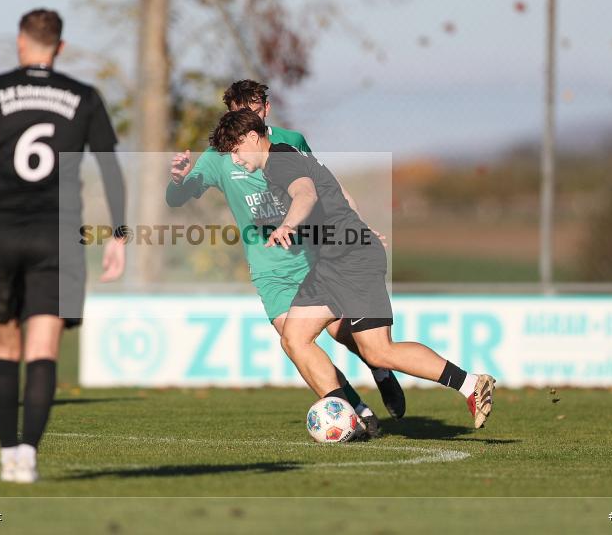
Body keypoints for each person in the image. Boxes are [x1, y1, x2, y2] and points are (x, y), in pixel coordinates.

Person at [0, 9, 127, 483]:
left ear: (20, 42)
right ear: (60, 47)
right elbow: (111, 168)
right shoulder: (83, 96)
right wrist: (119, 234)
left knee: (6, 346)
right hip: (57, 235)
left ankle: (7, 451)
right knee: (43, 348)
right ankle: (28, 454)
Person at [209, 109, 496, 429]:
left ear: (252, 137)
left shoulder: (280, 161)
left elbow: (305, 193)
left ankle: (469, 384)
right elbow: (335, 191)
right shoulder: (286, 158)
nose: (235, 160)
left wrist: (289, 224)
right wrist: (359, 227)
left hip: (351, 261)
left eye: (235, 151)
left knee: (377, 351)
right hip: (336, 260)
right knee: (298, 339)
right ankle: (349, 415)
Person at [166, 80, 405, 436]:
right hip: (269, 269)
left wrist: (360, 228)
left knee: (343, 333)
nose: (249, 114)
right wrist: (178, 180)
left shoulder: (290, 143)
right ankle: (355, 409)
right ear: (232, 113)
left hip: (313, 256)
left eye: (255, 107)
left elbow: (328, 189)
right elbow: (177, 199)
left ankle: (381, 370)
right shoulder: (219, 156)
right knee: (296, 342)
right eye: (240, 109)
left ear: (266, 109)